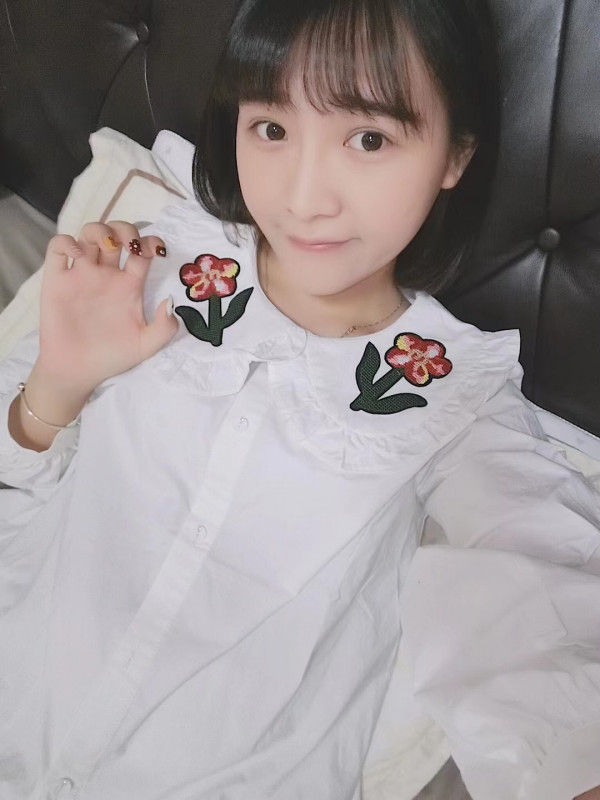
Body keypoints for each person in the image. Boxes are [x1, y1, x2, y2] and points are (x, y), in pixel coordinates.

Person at [1, 0, 600, 798]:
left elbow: (535, 603)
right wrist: (59, 383)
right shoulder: (159, 254)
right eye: (272, 128)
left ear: (454, 154)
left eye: (369, 138)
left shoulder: (459, 396)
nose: (305, 198)